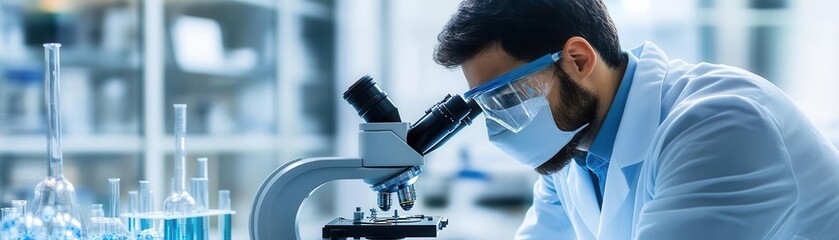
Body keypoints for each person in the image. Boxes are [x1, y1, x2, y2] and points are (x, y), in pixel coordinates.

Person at [433, 0, 839, 239]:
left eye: (508, 96)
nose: (497, 126)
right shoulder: (573, 150)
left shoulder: (721, 124)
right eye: (485, 105)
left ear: (578, 60)